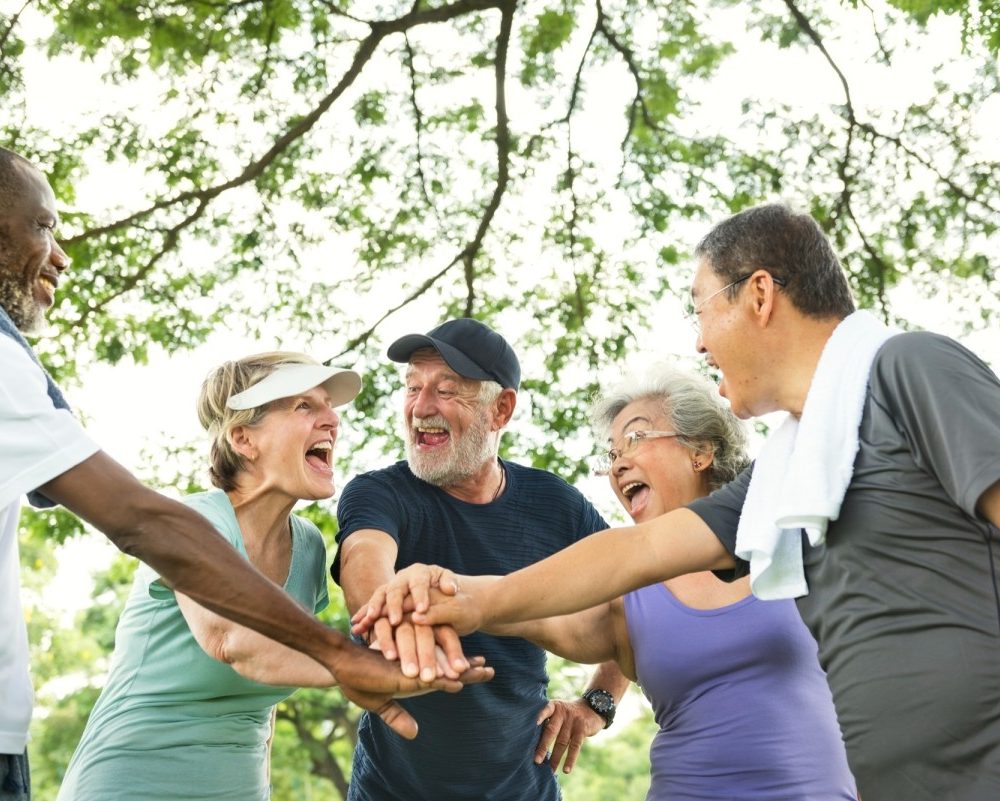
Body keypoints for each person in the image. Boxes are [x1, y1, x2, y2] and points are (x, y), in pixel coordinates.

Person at [361, 203, 1000, 801]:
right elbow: (638, 551)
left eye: (701, 308)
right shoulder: (787, 479)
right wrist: (458, 594)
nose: (699, 343)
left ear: (759, 295)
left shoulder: (907, 368)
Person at [0, 148, 487, 799]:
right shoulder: (199, 522)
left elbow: (263, 702)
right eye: (303, 406)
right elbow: (234, 641)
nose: (331, 421)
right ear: (243, 438)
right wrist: (349, 663)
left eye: (330, 407)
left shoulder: (311, 549)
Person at [443, 363, 856, 799]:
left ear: (700, 451)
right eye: (612, 454)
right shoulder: (627, 598)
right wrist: (443, 590)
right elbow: (524, 612)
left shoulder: (791, 538)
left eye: (636, 438)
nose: (619, 464)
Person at [332, 317, 629, 800]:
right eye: (412, 387)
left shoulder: (556, 504)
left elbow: (632, 595)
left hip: (523, 789)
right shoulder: (378, 492)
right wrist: (385, 618)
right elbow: (365, 560)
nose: (420, 407)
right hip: (391, 791)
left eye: (446, 390)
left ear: (501, 409)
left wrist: (598, 704)